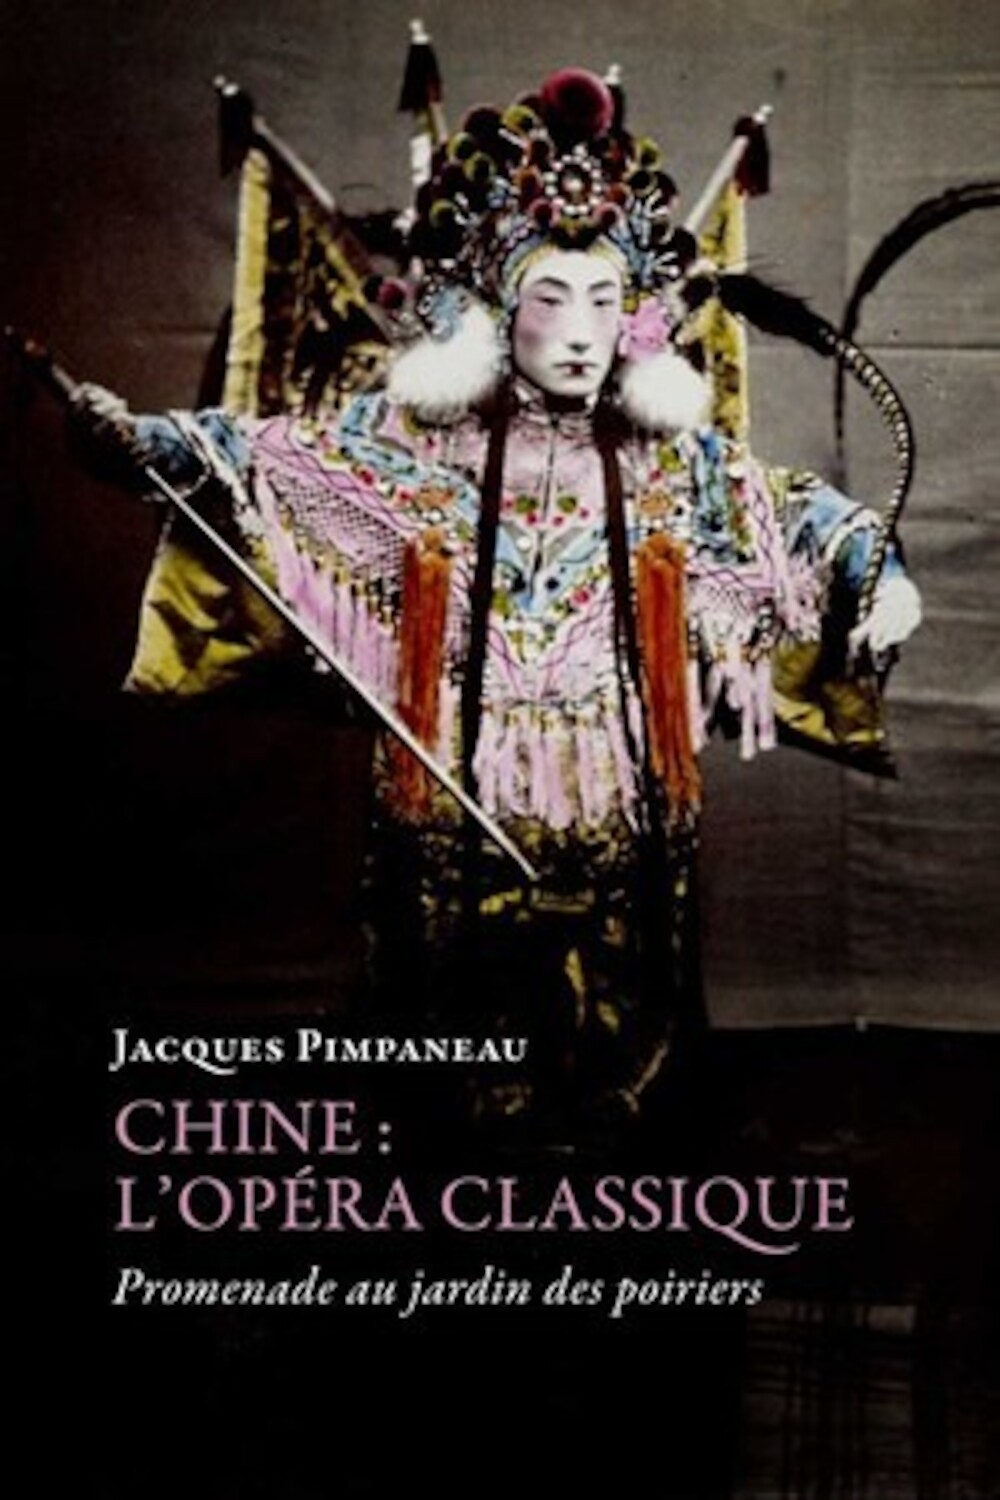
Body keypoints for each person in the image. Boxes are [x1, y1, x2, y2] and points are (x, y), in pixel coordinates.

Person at [70, 69, 920, 1137]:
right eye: (550, 299)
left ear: (638, 318)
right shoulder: (412, 445)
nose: (581, 333)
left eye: (605, 302)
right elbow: (264, 460)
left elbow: (793, 515)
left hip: (623, 796)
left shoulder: (670, 459)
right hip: (450, 794)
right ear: (496, 310)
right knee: (446, 1065)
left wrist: (880, 579)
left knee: (620, 1061)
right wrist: (141, 443)